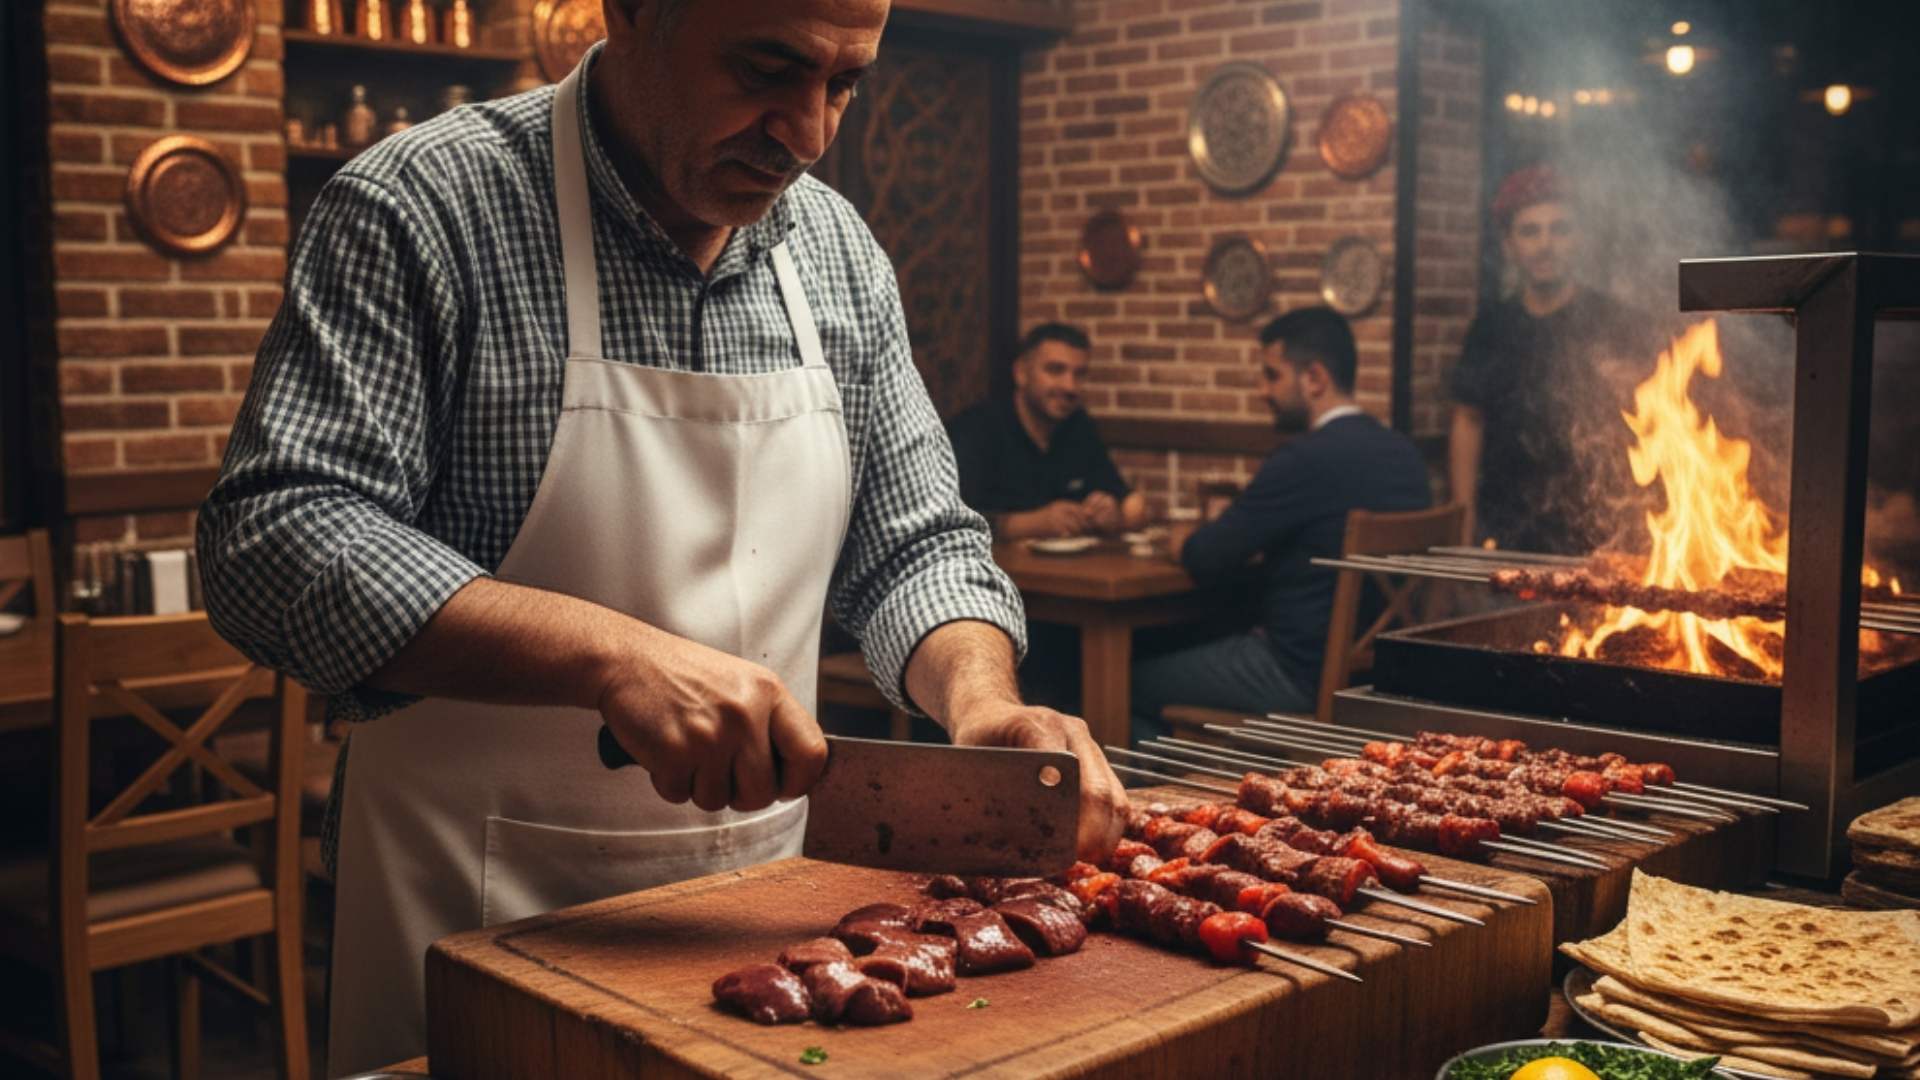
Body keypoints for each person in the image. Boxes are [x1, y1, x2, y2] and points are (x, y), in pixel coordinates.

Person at [195, 1, 1126, 1071]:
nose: (809, 132)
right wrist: (611, 657)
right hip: (471, 912)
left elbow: (916, 542)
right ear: (631, 13)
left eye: (844, 85)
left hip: (763, 921)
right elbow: (275, 536)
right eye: (766, 69)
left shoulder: (840, 255)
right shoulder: (425, 206)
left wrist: (980, 700)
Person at [1130, 308, 1430, 744]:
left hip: (1296, 672)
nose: (1262, 390)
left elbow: (1206, 555)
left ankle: (1147, 781)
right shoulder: (1404, 456)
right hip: (1380, 676)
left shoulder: (1303, 460)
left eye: (1272, 375)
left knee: (1127, 679)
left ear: (1314, 378)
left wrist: (1179, 541)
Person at [1448, 163, 1647, 554]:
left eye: (1560, 229)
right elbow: (1467, 421)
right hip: (1506, 526)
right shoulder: (1490, 326)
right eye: (1530, 231)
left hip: (1596, 531)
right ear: (1510, 245)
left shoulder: (1613, 321)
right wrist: (1463, 521)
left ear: (1579, 238)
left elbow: (1650, 425)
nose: (1545, 244)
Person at [948, 323, 1148, 539]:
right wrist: (1028, 524)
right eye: (1055, 370)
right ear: (1021, 373)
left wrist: (1113, 514)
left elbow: (1130, 504)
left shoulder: (1078, 426)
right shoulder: (976, 430)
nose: (1070, 386)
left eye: (1079, 374)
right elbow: (945, 520)